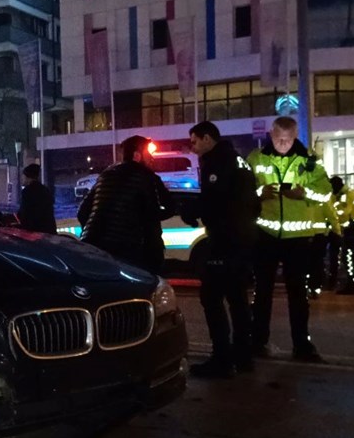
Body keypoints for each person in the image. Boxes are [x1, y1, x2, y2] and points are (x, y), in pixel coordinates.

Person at [246, 116, 332, 362]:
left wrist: (303, 193)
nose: (282, 143)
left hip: (298, 237)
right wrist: (259, 193)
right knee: (262, 292)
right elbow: (242, 192)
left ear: (295, 137)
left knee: (298, 295)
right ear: (271, 135)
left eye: (287, 139)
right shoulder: (256, 158)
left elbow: (326, 193)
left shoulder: (310, 161)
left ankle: (302, 345)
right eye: (278, 138)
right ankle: (258, 340)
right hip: (266, 235)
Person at [182, 121, 261, 378]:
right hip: (245, 239)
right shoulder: (240, 161)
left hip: (225, 240)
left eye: (194, 141)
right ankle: (243, 356)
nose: (192, 148)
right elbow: (254, 202)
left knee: (212, 298)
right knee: (238, 299)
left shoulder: (217, 163)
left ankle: (222, 359)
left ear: (207, 138)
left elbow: (213, 202)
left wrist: (191, 212)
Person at [78, 135, 174, 274]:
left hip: (95, 247)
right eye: (149, 153)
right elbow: (169, 208)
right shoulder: (147, 177)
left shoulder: (105, 176)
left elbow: (82, 212)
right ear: (137, 155)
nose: (152, 158)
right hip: (132, 252)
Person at [331, 176, 354, 295]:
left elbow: (344, 212)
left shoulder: (346, 196)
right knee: (353, 257)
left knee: (348, 258)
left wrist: (332, 212)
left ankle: (352, 285)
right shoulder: (348, 193)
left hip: (352, 229)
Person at [308, 196, 340, 299]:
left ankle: (307, 286)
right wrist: (337, 232)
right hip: (319, 234)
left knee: (305, 261)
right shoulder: (323, 197)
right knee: (317, 261)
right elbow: (331, 215)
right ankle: (315, 287)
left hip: (304, 233)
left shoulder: (301, 194)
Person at [16, 163, 57, 234]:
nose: (22, 179)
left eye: (23, 176)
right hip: (49, 230)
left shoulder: (27, 192)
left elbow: (25, 214)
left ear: (27, 177)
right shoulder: (45, 190)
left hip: (35, 232)